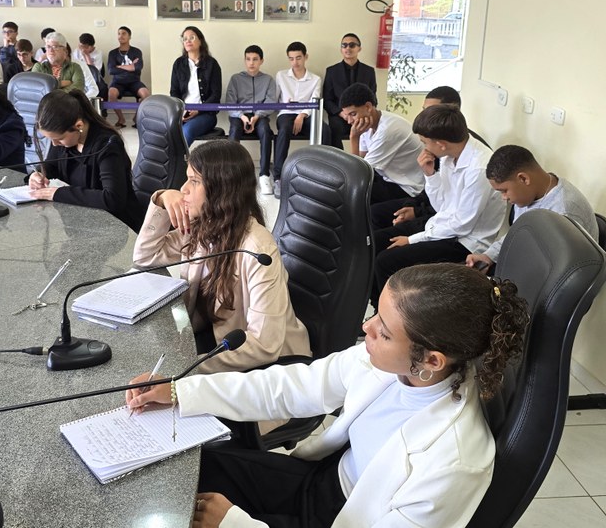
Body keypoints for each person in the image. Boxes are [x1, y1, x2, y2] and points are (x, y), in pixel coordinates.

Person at [126, 262, 529, 528]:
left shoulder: (455, 461)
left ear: (432, 360)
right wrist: (179, 390)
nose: (367, 328)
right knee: (193, 470)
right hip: (319, 480)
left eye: (384, 331)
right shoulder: (394, 364)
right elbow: (289, 387)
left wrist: (235, 524)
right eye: (376, 314)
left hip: (341, 517)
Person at [132, 140, 310, 371]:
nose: (183, 189)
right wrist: (162, 199)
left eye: (194, 181)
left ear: (221, 190)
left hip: (271, 364)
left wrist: (188, 369)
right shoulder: (204, 226)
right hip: (219, 340)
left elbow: (264, 346)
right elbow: (145, 256)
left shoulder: (257, 249)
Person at [370, 104, 505, 310]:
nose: (423, 147)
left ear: (441, 144)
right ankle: (376, 304)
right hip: (443, 225)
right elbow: (442, 205)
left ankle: (389, 315)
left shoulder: (478, 169)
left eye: (425, 142)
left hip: (466, 241)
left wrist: (412, 239)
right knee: (375, 242)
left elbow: (462, 225)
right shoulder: (450, 155)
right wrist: (430, 174)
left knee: (386, 261)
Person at [466, 144, 598, 272]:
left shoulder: (563, 213)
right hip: (529, 263)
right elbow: (516, 234)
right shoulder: (530, 194)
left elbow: (558, 272)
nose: (504, 198)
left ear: (523, 178)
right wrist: (488, 256)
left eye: (504, 191)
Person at [28, 89, 144, 232]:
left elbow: (112, 199)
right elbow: (51, 166)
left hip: (116, 226)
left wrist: (58, 193)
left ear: (79, 126)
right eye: (50, 139)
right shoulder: (65, 140)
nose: (54, 144)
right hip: (81, 222)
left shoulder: (107, 145)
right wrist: (38, 175)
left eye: (59, 139)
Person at [341, 83, 424, 204]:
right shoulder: (367, 124)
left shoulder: (388, 130)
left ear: (368, 107)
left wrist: (354, 138)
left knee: (350, 192)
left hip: (408, 187)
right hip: (389, 179)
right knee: (342, 187)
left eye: (353, 114)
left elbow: (357, 174)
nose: (349, 121)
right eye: (346, 116)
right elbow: (360, 161)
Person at [272, 41, 326, 198]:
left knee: (324, 130)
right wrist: (285, 105)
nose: (295, 62)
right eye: (291, 58)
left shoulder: (315, 79)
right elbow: (275, 100)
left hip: (307, 114)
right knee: (284, 130)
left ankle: (321, 175)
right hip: (285, 113)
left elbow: (315, 101)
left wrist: (302, 115)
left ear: (305, 57)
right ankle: (278, 178)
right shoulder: (281, 75)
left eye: (298, 58)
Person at [225, 44, 277, 195]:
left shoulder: (268, 80)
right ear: (244, 60)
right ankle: (231, 174)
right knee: (234, 131)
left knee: (266, 131)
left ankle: (264, 175)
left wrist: (256, 117)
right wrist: (241, 116)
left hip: (259, 115)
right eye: (248, 59)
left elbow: (271, 102)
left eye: (255, 59)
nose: (251, 63)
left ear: (261, 61)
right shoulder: (235, 79)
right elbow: (230, 102)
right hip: (239, 115)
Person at [170, 26, 222, 147]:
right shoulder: (178, 64)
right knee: (166, 131)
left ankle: (178, 159)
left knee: (186, 131)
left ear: (200, 41)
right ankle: (172, 158)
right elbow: (174, 92)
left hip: (206, 114)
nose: (188, 41)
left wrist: (198, 110)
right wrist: (181, 111)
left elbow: (216, 95)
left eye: (192, 37)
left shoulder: (212, 64)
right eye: (185, 39)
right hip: (183, 113)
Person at [323, 33, 376, 150]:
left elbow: (373, 99)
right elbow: (327, 100)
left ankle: (366, 159)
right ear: (341, 49)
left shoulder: (369, 71)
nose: (348, 48)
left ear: (359, 48)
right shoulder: (332, 71)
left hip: (362, 115)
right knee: (333, 128)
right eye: (344, 45)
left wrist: (360, 114)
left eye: (352, 45)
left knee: (372, 125)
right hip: (340, 116)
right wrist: (343, 114)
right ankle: (339, 158)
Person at [107, 26, 150, 128]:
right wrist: (130, 67)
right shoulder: (113, 53)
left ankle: (136, 118)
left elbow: (138, 67)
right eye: (119, 34)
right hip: (118, 81)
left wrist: (119, 66)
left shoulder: (136, 51)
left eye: (124, 33)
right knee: (111, 94)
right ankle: (121, 119)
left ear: (129, 36)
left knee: (146, 94)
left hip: (134, 81)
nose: (120, 36)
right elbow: (111, 70)